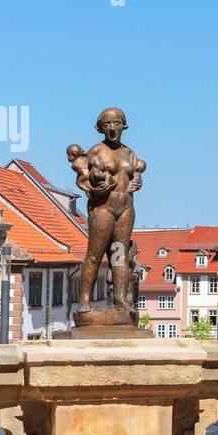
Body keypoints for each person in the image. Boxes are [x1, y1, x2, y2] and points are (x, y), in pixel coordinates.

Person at [68, 107, 146, 315]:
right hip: (104, 208)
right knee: (94, 254)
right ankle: (85, 300)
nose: (112, 128)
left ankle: (120, 299)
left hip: (126, 208)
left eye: (116, 124)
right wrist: (93, 187)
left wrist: (138, 182)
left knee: (119, 255)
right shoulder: (96, 151)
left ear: (124, 125)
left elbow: (134, 176)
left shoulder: (130, 153)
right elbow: (82, 179)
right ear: (101, 128)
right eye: (107, 125)